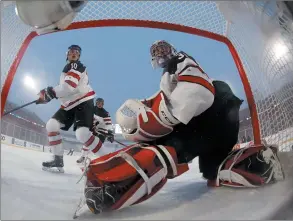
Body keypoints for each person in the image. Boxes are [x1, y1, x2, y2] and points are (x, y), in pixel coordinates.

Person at [78, 40, 284, 214]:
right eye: (157, 52)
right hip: (216, 123)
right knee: (215, 172)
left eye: (163, 50)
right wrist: (146, 109)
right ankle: (251, 163)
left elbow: (198, 91)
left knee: (165, 150)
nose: (161, 54)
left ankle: (110, 187)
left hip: (215, 113)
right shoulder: (168, 76)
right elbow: (161, 100)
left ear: (172, 50)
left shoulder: (180, 61)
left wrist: (157, 118)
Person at [38, 45, 104, 173]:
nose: (74, 54)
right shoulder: (68, 68)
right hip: (70, 104)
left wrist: (50, 92)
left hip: (82, 102)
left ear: (79, 56)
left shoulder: (74, 66)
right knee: (51, 125)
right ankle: (58, 159)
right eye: (71, 52)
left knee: (82, 133)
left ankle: (107, 158)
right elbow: (65, 89)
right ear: (67, 55)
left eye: (76, 52)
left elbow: (69, 87)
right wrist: (50, 94)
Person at [76, 97, 114, 164]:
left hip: (102, 133)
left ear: (103, 104)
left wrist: (110, 134)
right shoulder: (92, 109)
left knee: (98, 147)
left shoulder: (105, 113)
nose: (99, 104)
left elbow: (109, 125)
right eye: (98, 103)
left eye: (101, 103)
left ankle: (103, 160)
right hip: (94, 130)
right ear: (96, 103)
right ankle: (83, 156)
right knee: (87, 143)